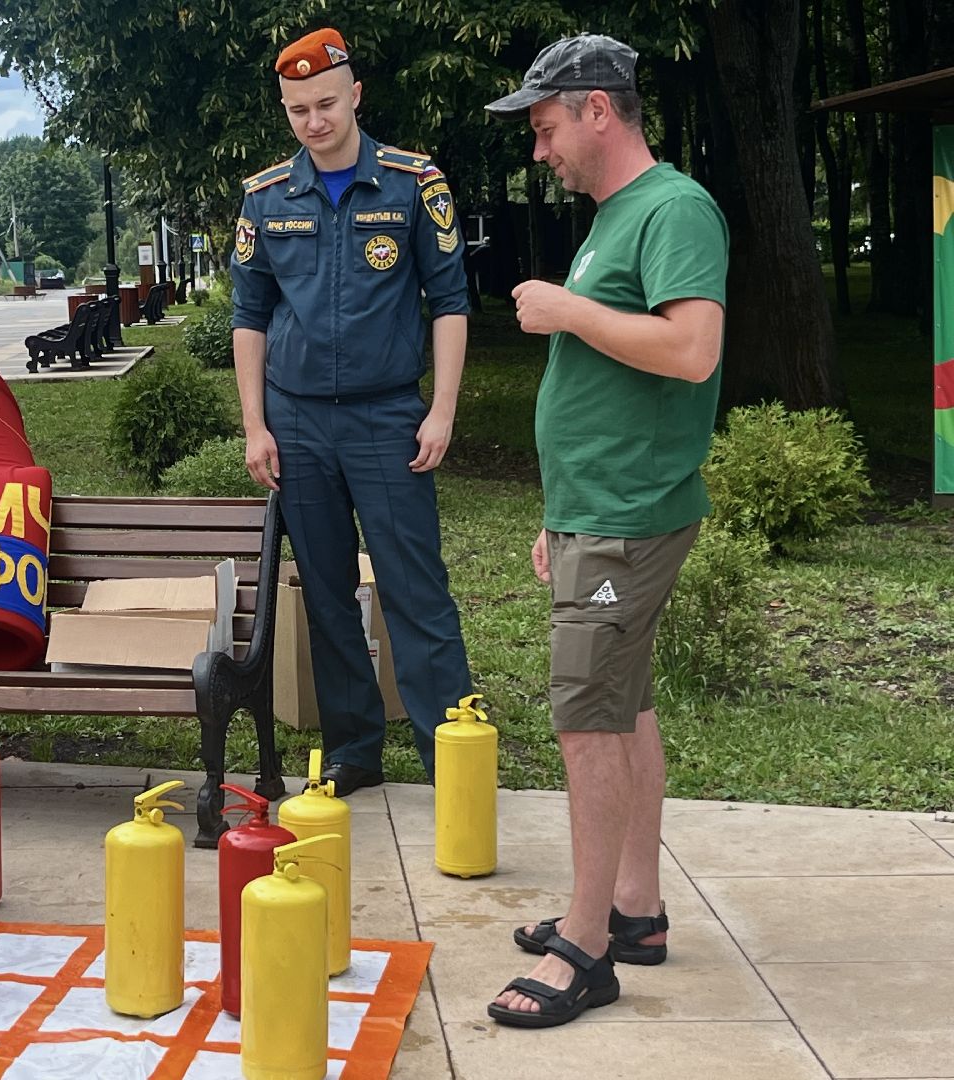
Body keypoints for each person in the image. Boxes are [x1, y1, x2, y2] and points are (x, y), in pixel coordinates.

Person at [481, 34, 729, 1028]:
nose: (540, 151)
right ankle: (634, 910)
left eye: (544, 128)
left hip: (627, 518)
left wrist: (568, 309)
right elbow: (608, 386)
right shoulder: (615, 216)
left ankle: (585, 951)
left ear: (595, 109)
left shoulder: (673, 209)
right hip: (599, 513)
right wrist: (561, 514)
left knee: (588, 720)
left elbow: (692, 349)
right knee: (623, 707)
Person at [229, 28, 473, 797]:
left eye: (326, 102)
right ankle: (353, 748)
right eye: (298, 109)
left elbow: (452, 301)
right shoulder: (267, 197)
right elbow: (249, 314)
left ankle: (453, 752)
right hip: (297, 423)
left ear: (356, 94)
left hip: (386, 416)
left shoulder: (414, 183)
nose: (313, 120)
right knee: (327, 591)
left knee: (414, 587)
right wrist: (254, 424)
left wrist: (441, 409)